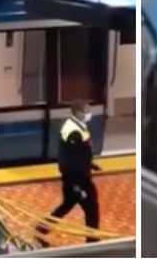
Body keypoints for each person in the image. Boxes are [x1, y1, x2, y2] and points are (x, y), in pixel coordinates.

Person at [45, 99, 101, 243]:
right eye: (86, 111)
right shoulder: (73, 131)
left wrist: (90, 164)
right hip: (77, 180)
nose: (89, 113)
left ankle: (41, 228)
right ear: (77, 113)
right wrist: (78, 184)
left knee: (67, 205)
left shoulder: (77, 125)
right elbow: (70, 160)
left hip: (77, 177)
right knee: (91, 207)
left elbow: (77, 154)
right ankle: (92, 241)